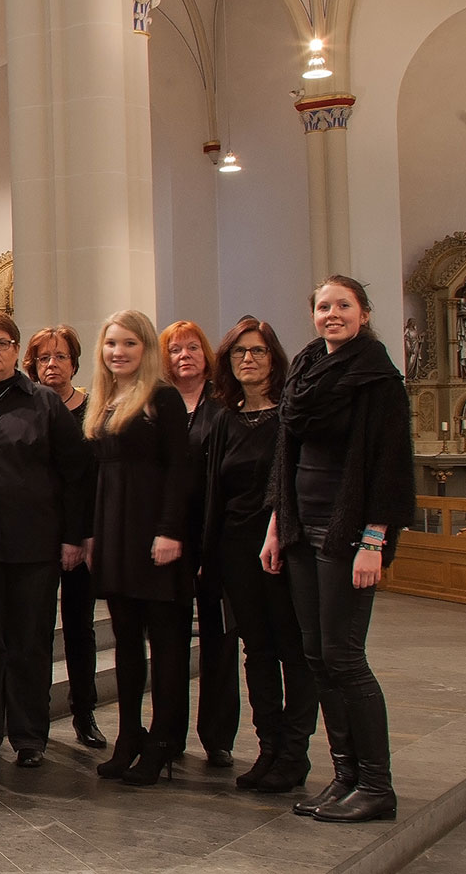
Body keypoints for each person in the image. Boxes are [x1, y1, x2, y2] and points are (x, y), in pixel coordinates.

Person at [261, 276, 414, 823]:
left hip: (347, 531)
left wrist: (374, 540)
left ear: (364, 313)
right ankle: (346, 775)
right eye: (324, 306)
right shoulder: (304, 371)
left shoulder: (377, 377)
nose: (333, 314)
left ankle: (376, 784)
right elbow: (286, 455)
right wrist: (276, 525)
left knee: (345, 658)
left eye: (343, 305)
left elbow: (392, 466)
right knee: (318, 658)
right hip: (302, 527)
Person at [0, 312, 90, 769]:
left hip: (35, 545)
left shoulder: (43, 403)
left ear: (15, 350)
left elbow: (75, 475)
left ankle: (30, 737)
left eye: (1, 343)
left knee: (30, 643)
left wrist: (73, 537)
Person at [205, 316, 315, 794]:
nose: (247, 359)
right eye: (238, 352)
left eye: (258, 351)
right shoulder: (224, 419)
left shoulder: (291, 416)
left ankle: (294, 753)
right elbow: (214, 492)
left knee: (294, 649)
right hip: (235, 549)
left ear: (274, 358)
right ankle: (268, 747)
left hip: (284, 547)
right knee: (257, 650)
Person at [84, 310, 193, 787]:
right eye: (112, 343)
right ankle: (129, 736)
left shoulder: (161, 398)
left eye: (129, 343)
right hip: (114, 533)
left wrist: (170, 531)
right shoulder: (104, 399)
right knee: (126, 644)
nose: (119, 352)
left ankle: (162, 741)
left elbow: (180, 470)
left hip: (153, 535)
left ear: (145, 348)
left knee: (165, 647)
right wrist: (92, 535)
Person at [23, 324, 107, 750]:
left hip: (80, 533)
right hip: (37, 532)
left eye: (60, 357)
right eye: (44, 358)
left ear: (74, 363)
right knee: (36, 629)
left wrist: (81, 535)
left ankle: (84, 712)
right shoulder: (27, 408)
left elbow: (89, 478)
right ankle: (33, 718)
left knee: (79, 627)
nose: (52, 365)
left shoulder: (93, 410)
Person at [163, 318, 239, 767]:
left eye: (192, 347)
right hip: (172, 533)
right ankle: (169, 734)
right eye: (175, 349)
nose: (184, 356)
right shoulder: (158, 402)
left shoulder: (224, 404)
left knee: (219, 638)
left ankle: (217, 735)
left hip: (215, 533)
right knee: (170, 639)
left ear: (206, 355)